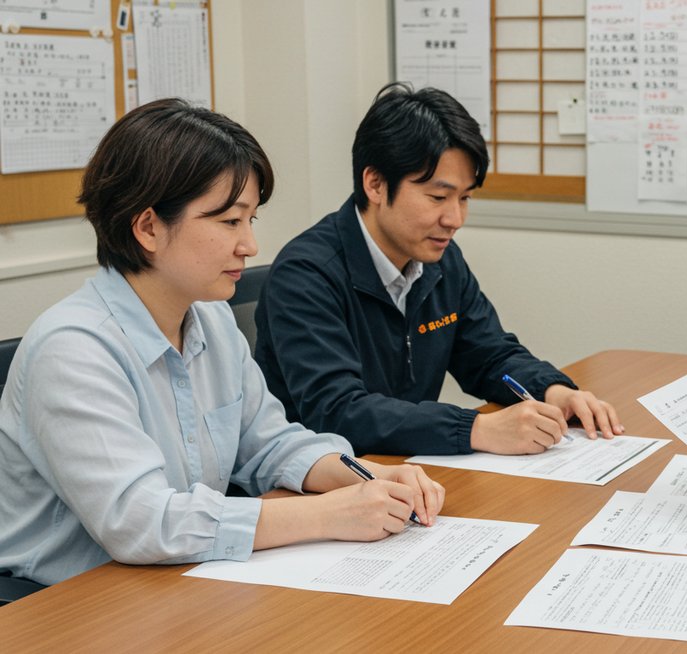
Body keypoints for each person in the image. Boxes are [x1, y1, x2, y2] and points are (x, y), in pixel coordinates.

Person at [0, 99, 445, 587]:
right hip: (65, 604)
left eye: (250, 221)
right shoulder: (73, 350)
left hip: (180, 578)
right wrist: (327, 515)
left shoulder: (209, 319)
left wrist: (364, 476)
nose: (250, 245)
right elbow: (141, 521)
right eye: (230, 221)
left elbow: (270, 444)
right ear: (148, 226)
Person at [253, 83, 623, 457]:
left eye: (464, 198)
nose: (455, 218)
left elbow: (491, 355)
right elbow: (339, 412)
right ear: (376, 184)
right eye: (438, 197)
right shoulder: (306, 275)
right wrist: (476, 429)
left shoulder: (441, 260)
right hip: (315, 487)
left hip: (410, 473)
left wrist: (554, 392)